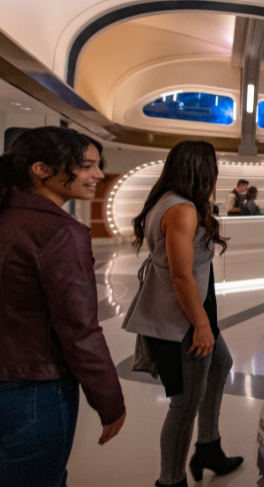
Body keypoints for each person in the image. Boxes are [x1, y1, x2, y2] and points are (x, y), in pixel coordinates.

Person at [0, 127, 126, 486]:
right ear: (42, 170)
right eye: (86, 166)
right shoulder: (59, 231)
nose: (99, 174)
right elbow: (79, 328)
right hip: (34, 391)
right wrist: (110, 401)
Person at [123, 141, 243, 487]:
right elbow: (181, 275)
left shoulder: (166, 201)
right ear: (201, 169)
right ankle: (170, 480)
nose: (216, 171)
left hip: (190, 310)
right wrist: (201, 325)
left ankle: (208, 446)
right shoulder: (182, 209)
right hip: (181, 319)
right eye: (213, 165)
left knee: (220, 365)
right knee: (185, 402)